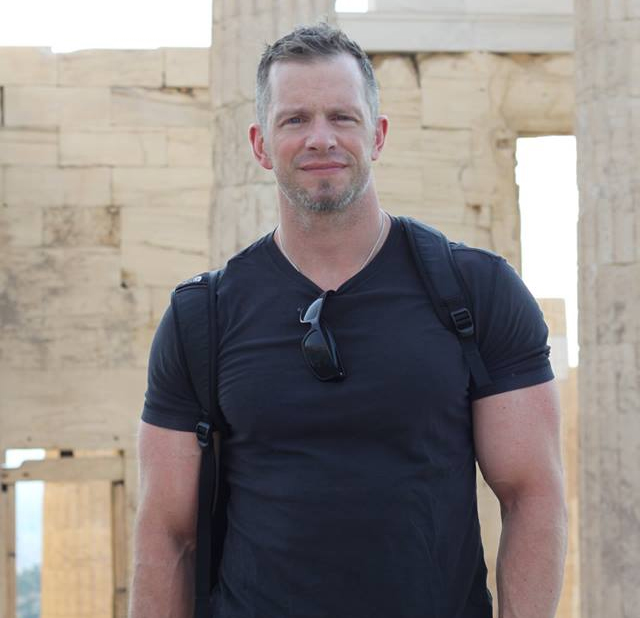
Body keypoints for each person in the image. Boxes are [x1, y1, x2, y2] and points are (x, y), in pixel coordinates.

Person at [129, 23, 567, 618]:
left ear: (377, 134)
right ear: (260, 144)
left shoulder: (478, 290)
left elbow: (532, 495)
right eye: (295, 120)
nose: (320, 138)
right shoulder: (200, 317)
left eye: (342, 117)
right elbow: (166, 533)